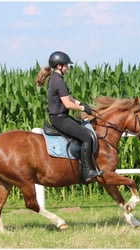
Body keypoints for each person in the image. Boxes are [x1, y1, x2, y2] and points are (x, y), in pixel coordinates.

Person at [36, 51, 103, 183]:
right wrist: (83, 109)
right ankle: (87, 170)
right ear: (59, 66)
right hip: (60, 119)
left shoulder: (56, 79)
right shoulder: (58, 81)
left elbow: (69, 98)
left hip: (60, 117)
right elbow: (67, 104)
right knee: (87, 137)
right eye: (66, 65)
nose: (68, 67)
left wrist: (81, 103)